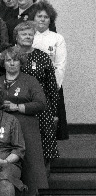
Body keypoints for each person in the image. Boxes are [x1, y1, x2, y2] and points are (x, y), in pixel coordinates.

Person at [0, 46, 48, 196]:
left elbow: (41, 103)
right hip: (3, 129)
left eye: (15, 60)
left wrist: (18, 107)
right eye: (8, 60)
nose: (12, 63)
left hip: (27, 127)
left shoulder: (30, 81)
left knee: (31, 168)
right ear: (3, 62)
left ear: (21, 62)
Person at [13, 21, 59, 167]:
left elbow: (52, 86)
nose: (27, 36)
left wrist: (54, 112)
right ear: (16, 36)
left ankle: (42, 185)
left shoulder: (43, 57)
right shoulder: (8, 56)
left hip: (40, 109)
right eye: (23, 33)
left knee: (43, 149)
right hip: (15, 108)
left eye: (30, 34)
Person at [32, 0, 67, 140]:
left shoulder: (57, 38)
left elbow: (60, 65)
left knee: (50, 127)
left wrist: (54, 87)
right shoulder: (28, 36)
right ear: (33, 18)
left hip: (51, 86)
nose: (42, 19)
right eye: (39, 16)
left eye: (46, 17)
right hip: (30, 87)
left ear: (50, 20)